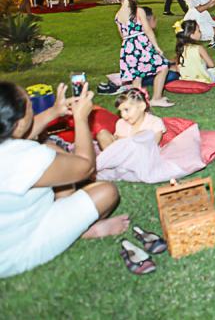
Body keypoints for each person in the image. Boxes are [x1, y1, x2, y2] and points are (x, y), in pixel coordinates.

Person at [0, 82, 129, 279]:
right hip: (17, 250)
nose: (32, 109)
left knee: (52, 149)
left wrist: (55, 111)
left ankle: (70, 218)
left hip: (10, 229)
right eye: (30, 106)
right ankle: (83, 231)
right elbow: (86, 167)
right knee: (106, 192)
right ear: (18, 123)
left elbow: (20, 133)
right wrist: (81, 119)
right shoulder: (25, 158)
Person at [114, 0, 173, 107]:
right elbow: (148, 30)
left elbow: (122, 35)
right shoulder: (138, 11)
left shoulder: (117, 15)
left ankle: (136, 103)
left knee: (137, 76)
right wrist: (156, 46)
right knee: (163, 67)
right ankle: (156, 98)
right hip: (141, 44)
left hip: (128, 47)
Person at [95, 88, 167, 150]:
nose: (123, 115)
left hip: (143, 154)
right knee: (102, 134)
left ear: (142, 106)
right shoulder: (121, 123)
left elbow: (152, 145)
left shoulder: (155, 122)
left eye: (126, 110)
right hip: (122, 154)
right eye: (121, 111)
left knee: (141, 135)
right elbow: (117, 143)